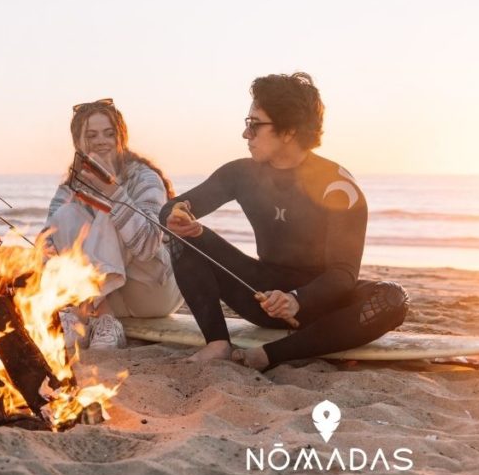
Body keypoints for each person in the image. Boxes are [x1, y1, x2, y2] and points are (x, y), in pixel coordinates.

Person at [160, 72, 408, 370]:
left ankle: (270, 354)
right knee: (184, 237)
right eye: (246, 124)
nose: (245, 134)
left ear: (289, 131)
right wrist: (179, 217)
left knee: (393, 299)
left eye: (254, 125)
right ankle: (217, 343)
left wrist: (297, 299)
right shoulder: (240, 173)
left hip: (319, 303)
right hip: (259, 294)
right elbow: (173, 208)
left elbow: (343, 274)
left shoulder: (338, 187)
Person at [45, 98, 184, 349]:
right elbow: (47, 243)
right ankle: (105, 318)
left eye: (109, 134)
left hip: (153, 290)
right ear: (78, 143)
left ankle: (84, 315)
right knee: (65, 216)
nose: (101, 141)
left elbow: (147, 246)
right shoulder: (69, 188)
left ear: (121, 138)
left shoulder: (145, 178)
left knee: (109, 211)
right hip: (110, 295)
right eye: (92, 135)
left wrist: (114, 193)